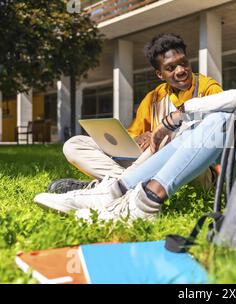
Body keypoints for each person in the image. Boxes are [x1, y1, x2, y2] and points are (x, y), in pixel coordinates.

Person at [35, 24, 236, 221]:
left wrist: (179, 115)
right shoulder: (154, 96)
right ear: (159, 74)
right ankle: (119, 192)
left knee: (219, 121)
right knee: (217, 123)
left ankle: (134, 198)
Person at [47, 33, 223, 194]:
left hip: (197, 172)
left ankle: (108, 187)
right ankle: (124, 186)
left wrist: (160, 134)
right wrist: (140, 138)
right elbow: (132, 140)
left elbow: (218, 135)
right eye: (170, 68)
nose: (180, 71)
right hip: (150, 168)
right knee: (74, 144)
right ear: (160, 74)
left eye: (183, 63)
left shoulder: (209, 88)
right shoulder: (153, 98)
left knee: (172, 136)